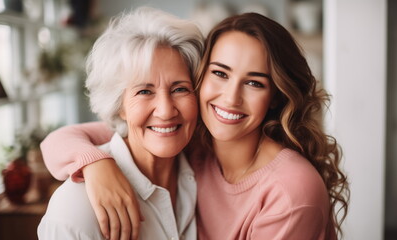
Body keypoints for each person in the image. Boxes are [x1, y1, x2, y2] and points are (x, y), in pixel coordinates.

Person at [40, 12, 349, 240]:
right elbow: (65, 139)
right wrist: (95, 162)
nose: (230, 98)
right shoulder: (193, 145)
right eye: (220, 73)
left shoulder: (287, 190)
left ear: (276, 96)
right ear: (118, 106)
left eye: (179, 88)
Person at [37, 7, 204, 240]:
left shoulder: (203, 170)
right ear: (119, 105)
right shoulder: (75, 210)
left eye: (180, 89)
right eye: (145, 91)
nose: (166, 111)